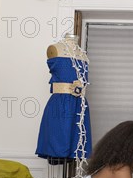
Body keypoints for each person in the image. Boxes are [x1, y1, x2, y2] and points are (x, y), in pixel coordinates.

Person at [36, 33, 92, 163]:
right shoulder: (54, 49)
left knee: (77, 145)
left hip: (80, 106)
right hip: (60, 105)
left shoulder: (82, 54)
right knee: (59, 143)